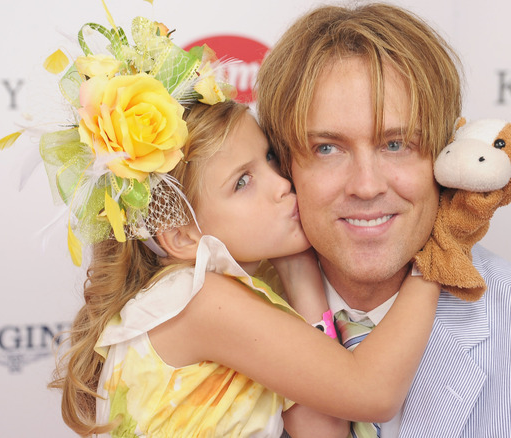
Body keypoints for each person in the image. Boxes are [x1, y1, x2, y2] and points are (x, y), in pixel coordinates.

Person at [255, 2, 511, 437]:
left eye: (396, 144)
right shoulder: (215, 331)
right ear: (282, 167)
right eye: (327, 149)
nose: (366, 186)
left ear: (450, 153)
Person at [32, 13, 443, 437]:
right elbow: (371, 393)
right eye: (242, 182)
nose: (284, 184)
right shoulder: (197, 302)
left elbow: (325, 431)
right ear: (182, 236)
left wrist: (300, 275)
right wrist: (442, 252)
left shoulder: (240, 293)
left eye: (269, 159)